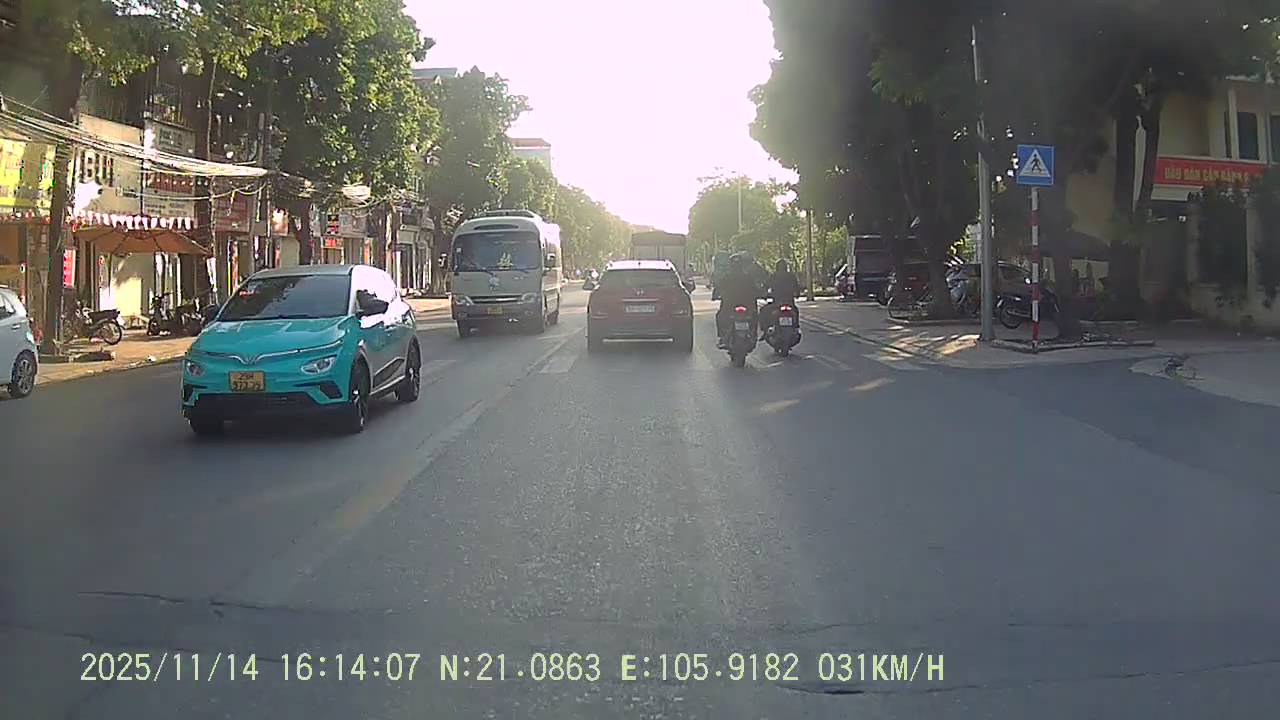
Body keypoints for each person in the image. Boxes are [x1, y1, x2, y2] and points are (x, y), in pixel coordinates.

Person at [716, 253, 762, 348]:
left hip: (731, 305)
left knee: (720, 316)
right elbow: (755, 289)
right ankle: (753, 335)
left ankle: (722, 337)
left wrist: (716, 294)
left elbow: (719, 287)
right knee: (754, 316)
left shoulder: (728, 277)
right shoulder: (747, 277)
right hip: (745, 305)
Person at [759, 259, 801, 337]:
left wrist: (764, 294)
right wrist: (797, 294)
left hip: (777, 302)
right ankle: (796, 327)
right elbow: (797, 288)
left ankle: (765, 331)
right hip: (789, 302)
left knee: (763, 311)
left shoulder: (774, 276)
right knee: (795, 311)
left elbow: (765, 286)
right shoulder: (791, 276)